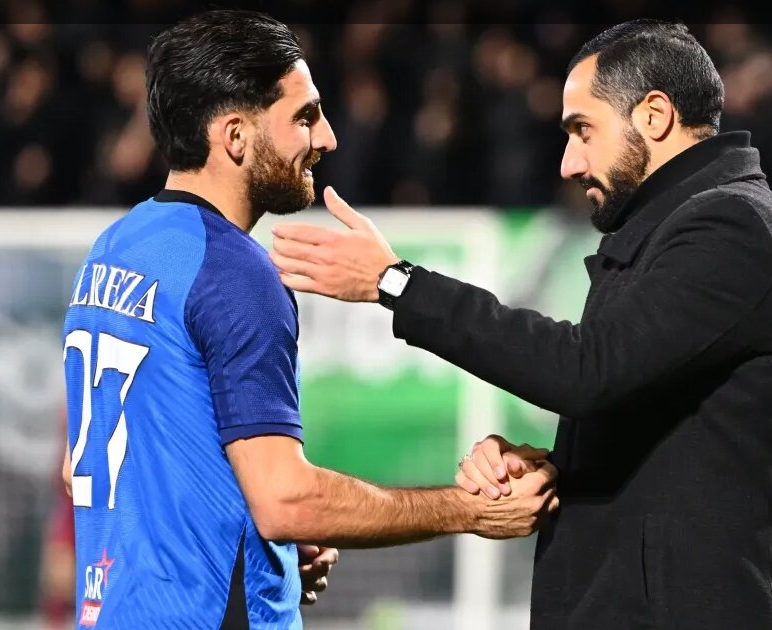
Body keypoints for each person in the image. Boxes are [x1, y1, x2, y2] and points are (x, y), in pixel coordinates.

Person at [270, 19, 772, 630]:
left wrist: (396, 282)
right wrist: (551, 467)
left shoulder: (736, 229)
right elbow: (654, 431)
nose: (568, 163)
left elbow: (587, 370)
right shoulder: (671, 233)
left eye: (583, 130)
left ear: (654, 115)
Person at [61, 10, 558, 630]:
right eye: (304, 116)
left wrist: (257, 545)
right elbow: (284, 501)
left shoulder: (115, 248)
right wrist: (470, 510)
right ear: (235, 135)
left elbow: (95, 466)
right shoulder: (233, 271)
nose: (327, 138)